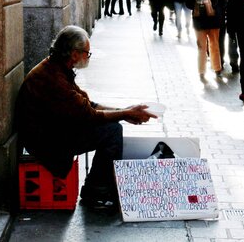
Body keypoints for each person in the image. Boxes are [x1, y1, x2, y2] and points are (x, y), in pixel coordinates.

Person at [15, 26, 156, 211]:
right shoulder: (53, 78)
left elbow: (88, 103)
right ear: (74, 53)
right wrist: (125, 114)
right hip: (45, 141)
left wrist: (123, 111)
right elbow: (89, 115)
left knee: (112, 126)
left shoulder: (57, 67)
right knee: (112, 131)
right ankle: (96, 190)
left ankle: (98, 187)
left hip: (52, 129)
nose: (87, 57)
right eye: (86, 53)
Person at [185, 0, 227, 80]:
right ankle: (217, 68)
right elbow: (225, 2)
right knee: (214, 44)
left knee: (201, 46)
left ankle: (201, 70)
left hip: (199, 21)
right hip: (214, 20)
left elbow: (188, 2)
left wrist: (197, 8)